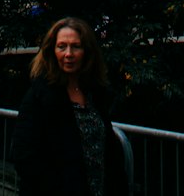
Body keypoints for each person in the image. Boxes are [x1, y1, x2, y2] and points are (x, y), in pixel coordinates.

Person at [12, 17, 128, 196]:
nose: (68, 53)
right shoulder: (38, 96)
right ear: (52, 50)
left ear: (87, 51)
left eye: (76, 46)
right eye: (61, 46)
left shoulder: (94, 93)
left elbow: (109, 152)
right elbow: (24, 157)